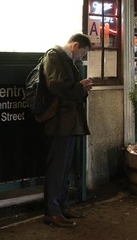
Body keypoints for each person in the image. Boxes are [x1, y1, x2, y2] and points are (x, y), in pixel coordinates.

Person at [41, 33, 93, 228]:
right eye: (82, 53)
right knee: (57, 167)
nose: (81, 57)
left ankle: (61, 206)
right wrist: (80, 87)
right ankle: (52, 211)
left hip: (68, 122)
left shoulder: (67, 60)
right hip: (59, 122)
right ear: (74, 45)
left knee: (64, 167)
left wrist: (81, 88)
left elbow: (66, 86)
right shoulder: (54, 56)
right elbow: (55, 85)